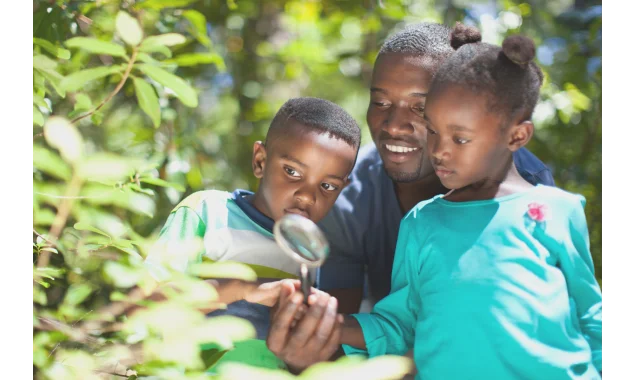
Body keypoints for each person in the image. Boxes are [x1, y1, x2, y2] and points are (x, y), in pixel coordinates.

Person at [266, 22, 555, 370]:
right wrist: (307, 346)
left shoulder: (523, 187)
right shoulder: (346, 195)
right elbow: (338, 333)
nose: (392, 125)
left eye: (420, 108)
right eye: (381, 102)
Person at [337, 31, 603, 379]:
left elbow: (588, 314)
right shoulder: (421, 222)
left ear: (517, 136)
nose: (440, 150)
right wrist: (330, 324)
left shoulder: (556, 210)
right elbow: (399, 326)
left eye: (460, 138)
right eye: (433, 131)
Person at [144, 96, 360, 372]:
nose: (307, 197)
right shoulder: (210, 212)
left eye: (328, 186)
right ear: (260, 161)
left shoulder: (313, 252)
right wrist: (244, 289)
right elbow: (147, 303)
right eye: (292, 171)